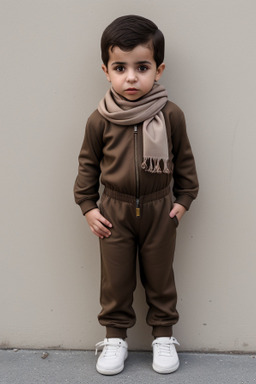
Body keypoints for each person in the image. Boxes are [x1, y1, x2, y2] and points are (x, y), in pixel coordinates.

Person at [74, 14, 199, 376]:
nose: (131, 77)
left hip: (161, 209)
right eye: (120, 67)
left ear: (158, 70)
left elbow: (186, 163)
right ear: (106, 70)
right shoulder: (100, 119)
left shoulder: (171, 115)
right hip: (115, 209)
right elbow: (87, 166)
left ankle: (163, 335)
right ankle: (115, 338)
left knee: (161, 277)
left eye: (141, 67)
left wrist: (182, 202)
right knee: (115, 279)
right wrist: (87, 206)